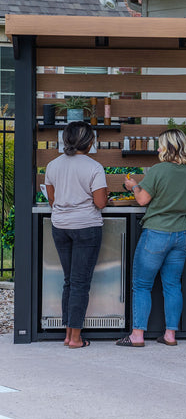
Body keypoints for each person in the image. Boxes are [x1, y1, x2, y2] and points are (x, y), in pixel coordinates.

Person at [116, 129, 186, 348]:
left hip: (156, 233)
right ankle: (170, 335)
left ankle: (137, 336)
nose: (158, 148)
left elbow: (143, 199)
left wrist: (133, 185)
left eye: (161, 145)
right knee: (172, 285)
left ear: (168, 147)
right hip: (182, 233)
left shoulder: (158, 170)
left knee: (142, 285)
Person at [45, 121, 108, 349]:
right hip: (86, 227)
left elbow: (52, 200)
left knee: (69, 281)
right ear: (90, 142)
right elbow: (100, 203)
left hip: (60, 226)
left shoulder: (52, 165)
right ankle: (75, 339)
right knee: (80, 283)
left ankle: (68, 333)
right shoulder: (94, 167)